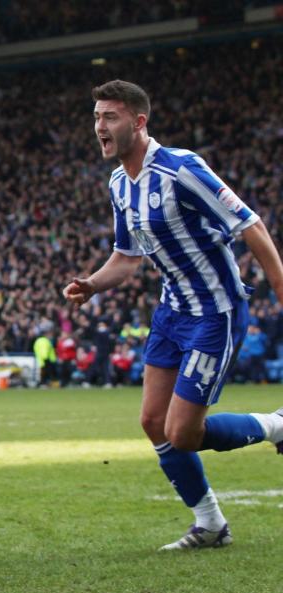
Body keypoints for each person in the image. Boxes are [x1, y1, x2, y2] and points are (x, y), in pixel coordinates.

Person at [64, 80, 283, 551]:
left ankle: (278, 426)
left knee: (182, 433)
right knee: (152, 422)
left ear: (139, 122)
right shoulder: (119, 183)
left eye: (111, 117)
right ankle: (210, 524)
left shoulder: (181, 169)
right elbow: (126, 256)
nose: (99, 127)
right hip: (171, 312)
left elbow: (250, 224)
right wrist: (92, 284)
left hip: (214, 313)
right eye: (97, 117)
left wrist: (282, 287)